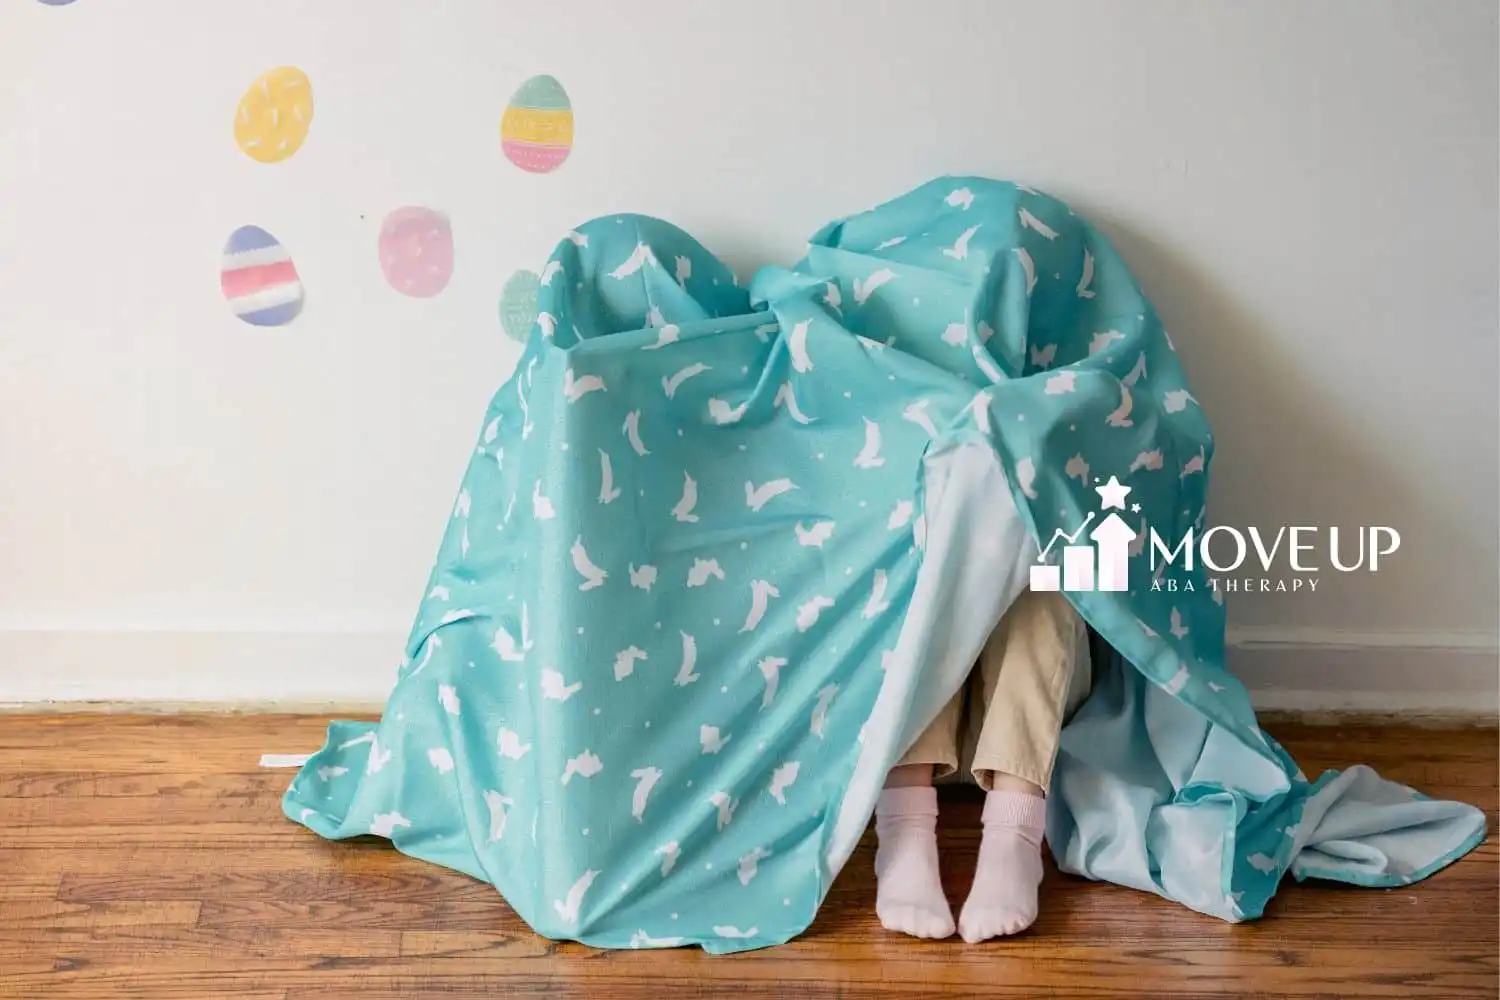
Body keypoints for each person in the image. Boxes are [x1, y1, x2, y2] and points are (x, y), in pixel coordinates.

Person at [873, 588, 1086, 942]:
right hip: (915, 743)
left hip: (1036, 732)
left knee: (1047, 571)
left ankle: (1013, 834)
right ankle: (903, 829)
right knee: (916, 557)